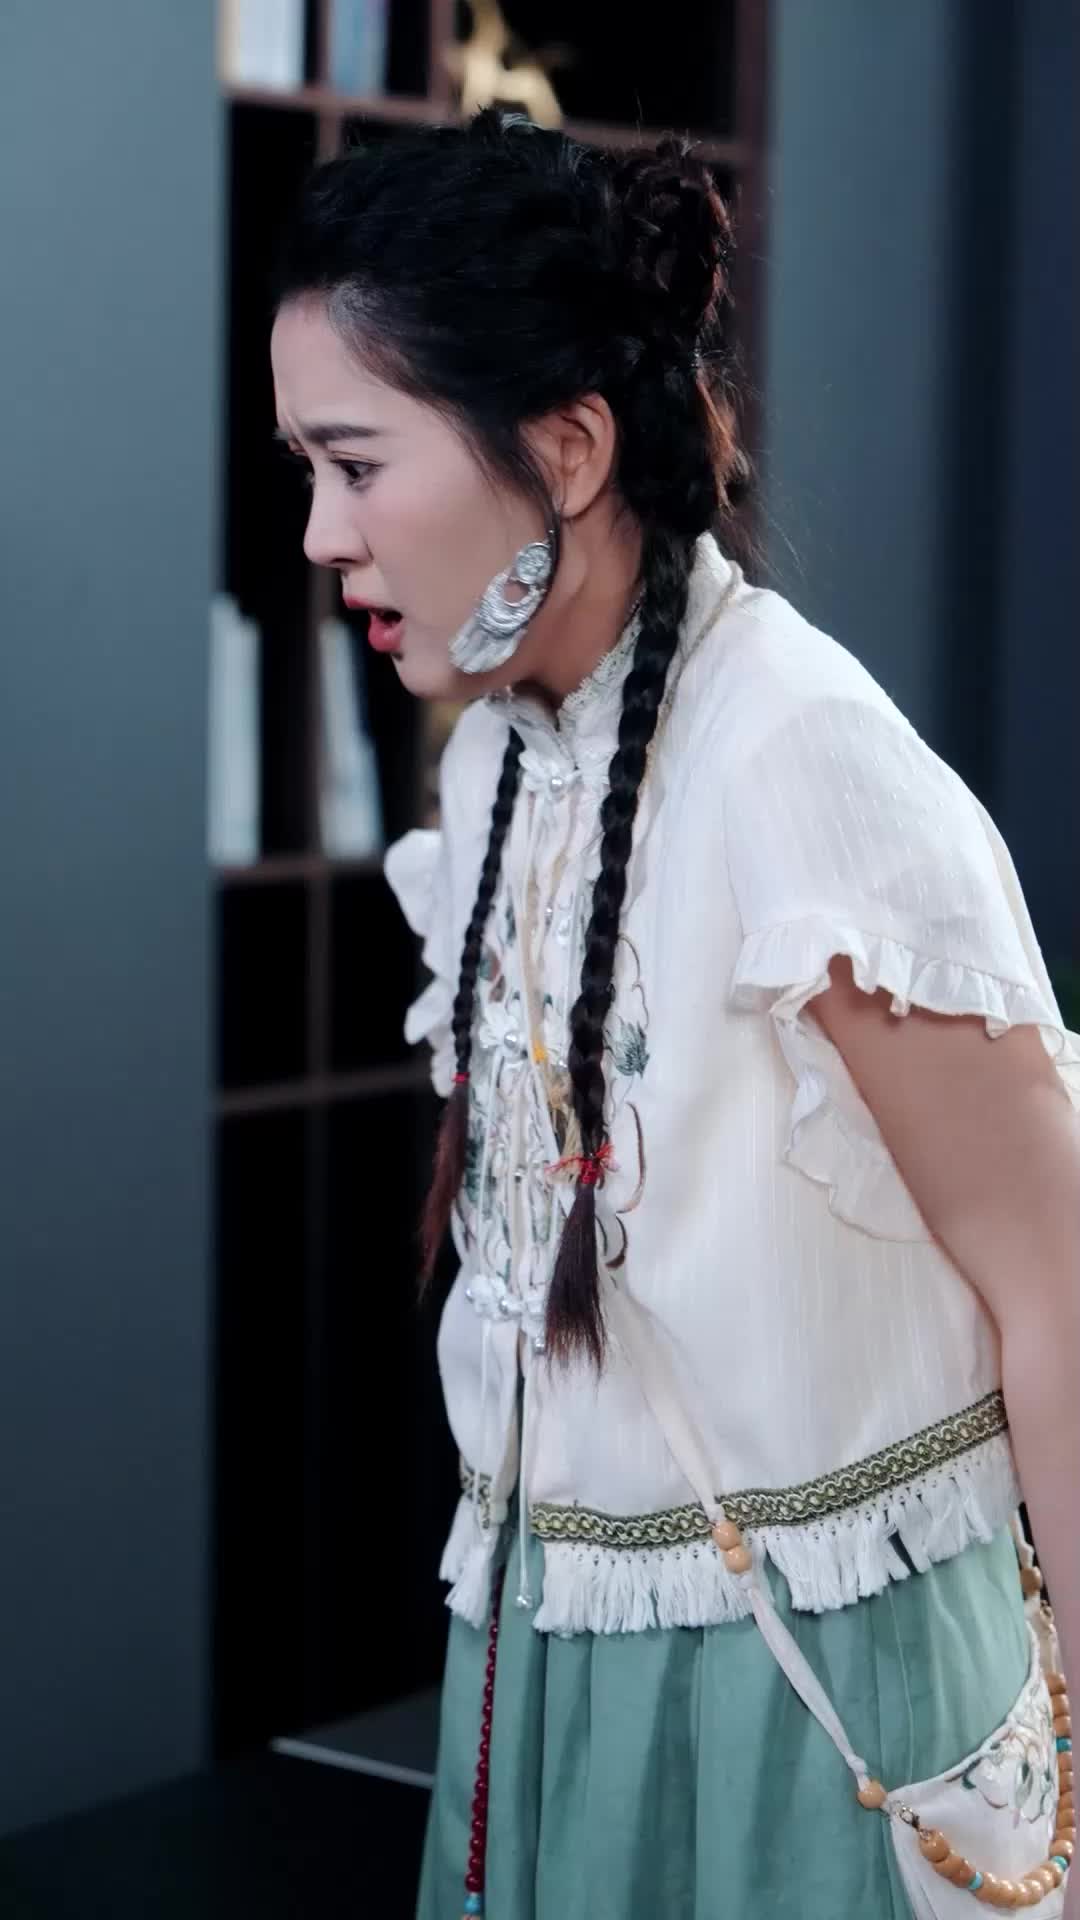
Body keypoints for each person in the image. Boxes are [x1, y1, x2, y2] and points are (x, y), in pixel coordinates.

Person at [270, 109, 1080, 1919]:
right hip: (546, 1682)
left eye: (355, 463)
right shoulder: (494, 768)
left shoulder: (801, 759)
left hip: (819, 1710)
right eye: (304, 468)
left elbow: (1062, 1288)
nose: (321, 534)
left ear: (564, 450)